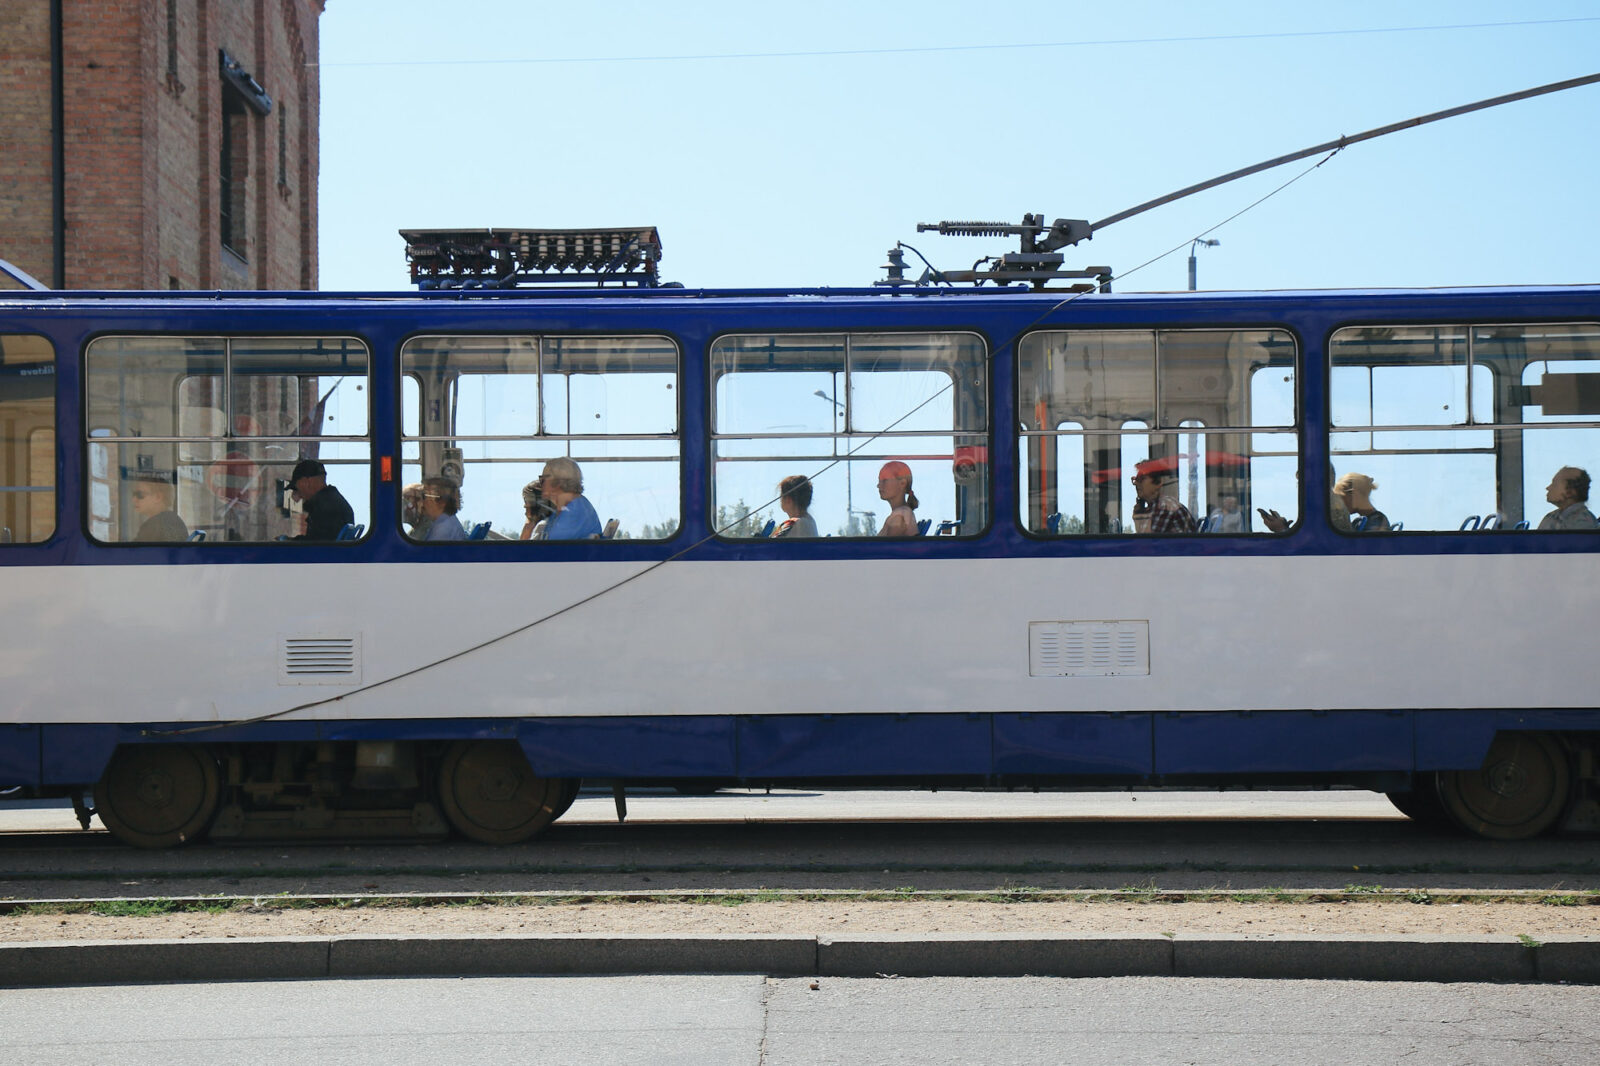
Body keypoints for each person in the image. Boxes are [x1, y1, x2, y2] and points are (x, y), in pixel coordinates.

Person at [537, 457, 602, 539]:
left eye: (543, 479)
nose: (540, 484)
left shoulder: (575, 511)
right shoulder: (564, 508)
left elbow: (551, 546)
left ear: (558, 481)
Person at [289, 458, 353, 540]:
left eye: (297, 488)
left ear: (307, 482)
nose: (298, 495)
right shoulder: (333, 500)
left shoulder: (324, 508)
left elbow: (316, 545)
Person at [1130, 459, 1197, 533]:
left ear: (1158, 482)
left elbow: (1148, 542)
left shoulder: (1165, 507)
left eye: (1141, 479)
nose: (1136, 483)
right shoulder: (1153, 508)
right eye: (1136, 479)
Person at [129, 474, 187, 542]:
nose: (134, 499)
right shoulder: (175, 520)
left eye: (140, 494)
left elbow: (135, 551)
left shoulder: (154, 525)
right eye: (133, 494)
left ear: (158, 497)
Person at [876, 460, 918, 537]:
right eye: (879, 480)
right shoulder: (901, 514)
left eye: (884, 480)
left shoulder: (899, 518)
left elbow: (887, 547)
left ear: (902, 483)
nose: (878, 485)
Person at [418, 476, 465, 541]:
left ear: (442, 502)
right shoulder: (448, 522)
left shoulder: (443, 529)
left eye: (424, 496)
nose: (421, 502)